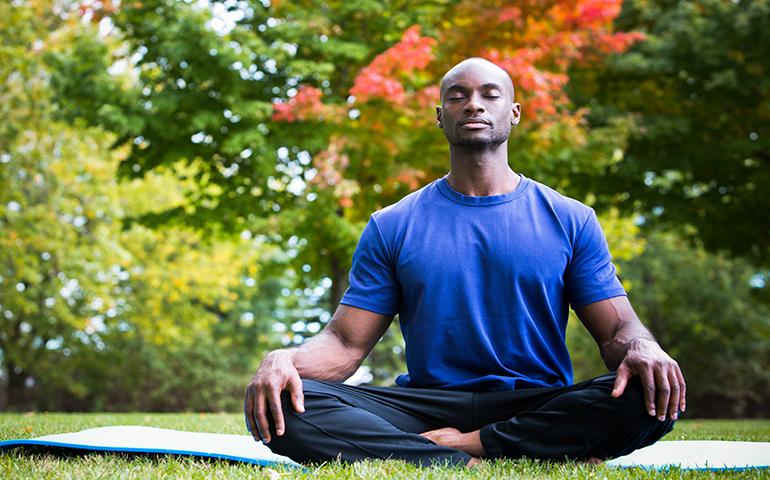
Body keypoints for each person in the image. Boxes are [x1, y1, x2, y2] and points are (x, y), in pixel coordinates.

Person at [244, 57, 685, 467]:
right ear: (441, 116)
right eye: (457, 95)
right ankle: (502, 450)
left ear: (514, 112)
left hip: (535, 401)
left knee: (647, 393)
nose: (473, 103)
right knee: (284, 403)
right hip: (426, 406)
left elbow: (616, 333)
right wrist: (285, 359)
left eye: (490, 94)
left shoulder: (571, 219)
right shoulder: (392, 224)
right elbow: (344, 346)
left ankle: (464, 446)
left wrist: (643, 346)